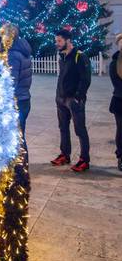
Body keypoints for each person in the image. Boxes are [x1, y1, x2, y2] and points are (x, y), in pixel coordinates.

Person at [51, 28, 91, 172]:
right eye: (56, 41)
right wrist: (58, 96)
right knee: (63, 128)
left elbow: (85, 79)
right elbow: (62, 77)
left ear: (68, 40)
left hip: (74, 100)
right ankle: (65, 155)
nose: (57, 43)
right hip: (61, 99)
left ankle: (84, 160)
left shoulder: (79, 56)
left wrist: (78, 97)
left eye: (60, 41)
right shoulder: (62, 56)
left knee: (80, 130)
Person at [8, 26, 32, 146]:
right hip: (25, 98)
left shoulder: (13, 55)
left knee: (17, 140)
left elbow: (12, 81)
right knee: (20, 136)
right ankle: (23, 164)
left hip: (17, 101)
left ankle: (20, 165)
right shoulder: (24, 50)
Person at [109, 33, 122, 171]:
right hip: (119, 101)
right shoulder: (114, 63)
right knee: (121, 130)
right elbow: (117, 84)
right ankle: (120, 157)